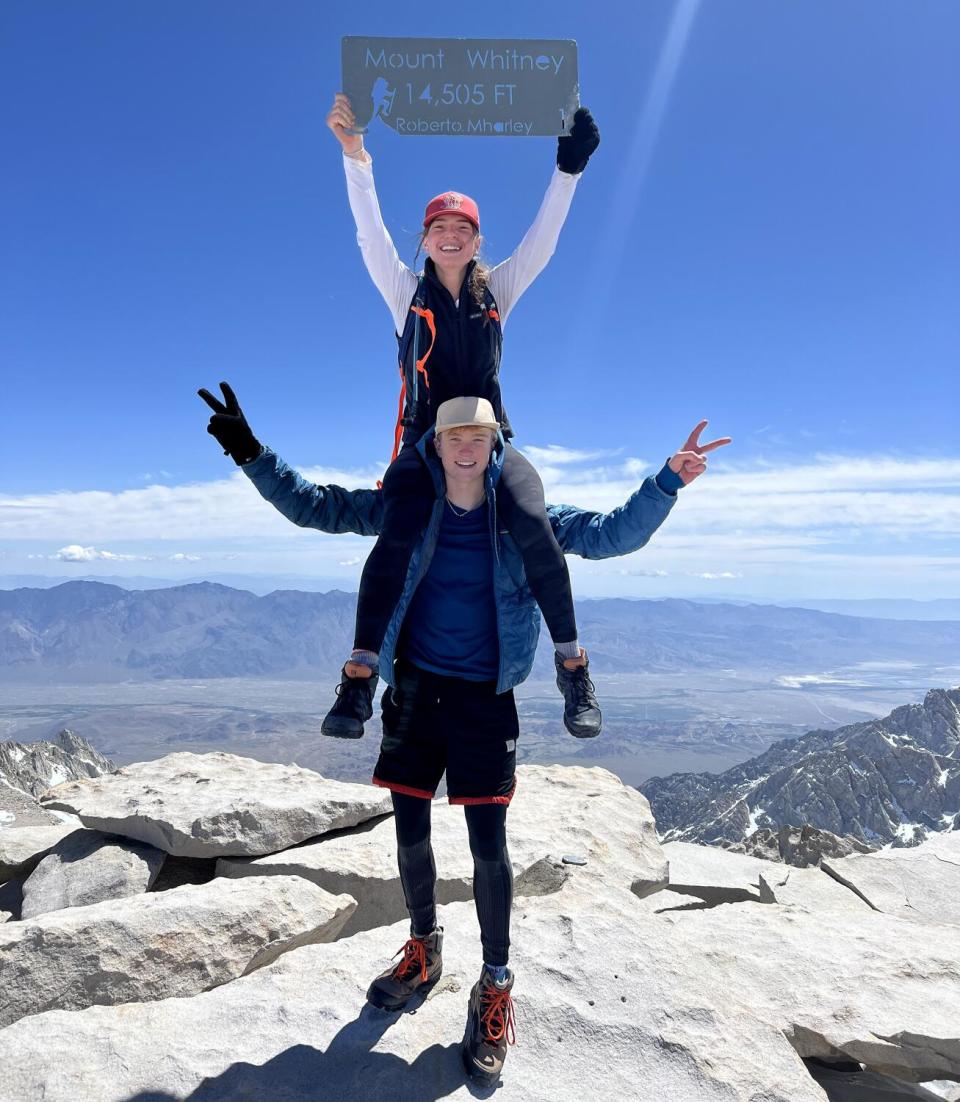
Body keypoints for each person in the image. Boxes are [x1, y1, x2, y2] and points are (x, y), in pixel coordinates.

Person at [198, 381, 730, 1086]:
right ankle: (423, 947)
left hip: (485, 699)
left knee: (488, 847)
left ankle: (494, 985)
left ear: (494, 445)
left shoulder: (524, 517)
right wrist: (250, 452)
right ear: (437, 445)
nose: (467, 449)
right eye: (455, 439)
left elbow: (607, 535)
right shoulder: (407, 505)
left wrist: (668, 481)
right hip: (417, 688)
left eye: (479, 439)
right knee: (410, 828)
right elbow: (315, 506)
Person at [322, 92, 603, 744]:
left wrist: (570, 170)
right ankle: (359, 678)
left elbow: (545, 242)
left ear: (478, 240)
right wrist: (356, 156)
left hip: (489, 442)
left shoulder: (498, 291)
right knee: (395, 536)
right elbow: (370, 234)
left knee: (535, 527)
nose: (450, 236)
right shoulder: (403, 294)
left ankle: (573, 667)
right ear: (425, 240)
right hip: (425, 446)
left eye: (464, 228)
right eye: (439, 228)